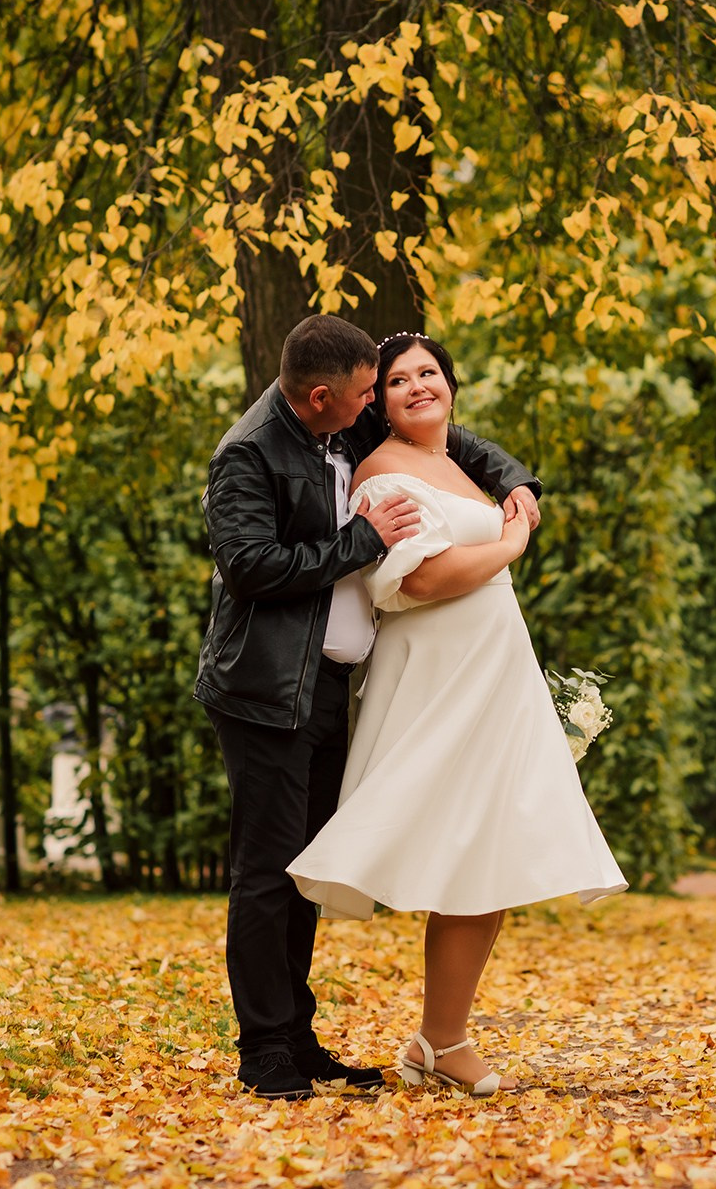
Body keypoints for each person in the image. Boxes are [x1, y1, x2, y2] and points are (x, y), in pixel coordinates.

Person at [194, 314, 543, 1101]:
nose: (374, 410)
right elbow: (250, 567)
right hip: (264, 689)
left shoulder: (336, 428)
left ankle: (299, 1033)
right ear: (324, 396)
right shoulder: (248, 454)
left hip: (325, 685)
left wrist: (515, 478)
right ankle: (265, 1050)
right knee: (267, 872)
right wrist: (361, 540)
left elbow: (452, 441)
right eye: (364, 397)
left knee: (304, 869)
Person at [288, 333, 627, 1097]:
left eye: (428, 373)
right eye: (399, 379)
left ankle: (439, 1040)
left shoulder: (458, 465)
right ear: (377, 400)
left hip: (491, 678)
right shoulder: (381, 477)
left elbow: (480, 494)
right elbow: (427, 578)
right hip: (439, 684)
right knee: (468, 853)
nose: (416, 386)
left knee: (492, 857)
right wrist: (511, 542)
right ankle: (437, 1040)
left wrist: (511, 497)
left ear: (450, 385)